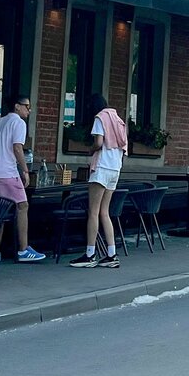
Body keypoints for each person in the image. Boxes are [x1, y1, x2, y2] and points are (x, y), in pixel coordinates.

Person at [0, 96, 46, 263]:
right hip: (6, 171)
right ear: (17, 106)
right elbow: (17, 148)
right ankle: (23, 250)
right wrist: (25, 170)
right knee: (22, 206)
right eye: (27, 106)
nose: (29, 110)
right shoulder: (18, 123)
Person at [70, 94, 128, 269]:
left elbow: (98, 142)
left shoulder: (100, 118)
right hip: (115, 169)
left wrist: (90, 150)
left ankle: (90, 254)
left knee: (93, 212)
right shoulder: (118, 120)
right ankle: (111, 254)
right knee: (105, 212)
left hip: (101, 167)